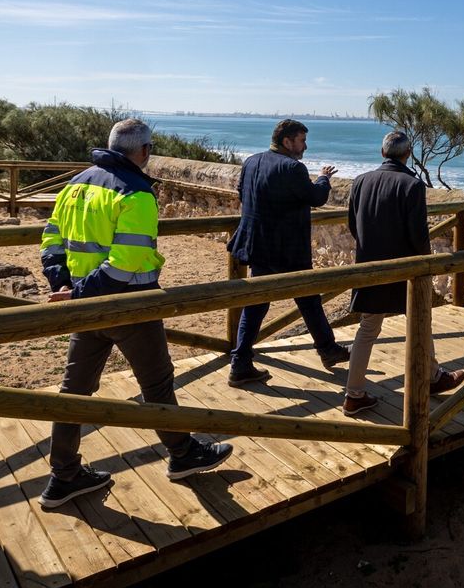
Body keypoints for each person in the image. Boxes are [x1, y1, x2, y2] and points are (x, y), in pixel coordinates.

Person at [38, 118, 232, 509]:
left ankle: (64, 475)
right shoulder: (137, 192)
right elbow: (125, 262)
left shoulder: (76, 184)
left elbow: (51, 238)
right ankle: (183, 455)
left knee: (74, 391)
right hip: (128, 303)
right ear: (143, 151)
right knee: (157, 384)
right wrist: (80, 293)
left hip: (85, 306)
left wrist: (64, 286)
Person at [341, 132, 464, 416]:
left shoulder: (360, 181)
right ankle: (432, 378)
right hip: (406, 268)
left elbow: (353, 225)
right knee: (421, 320)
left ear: (382, 152)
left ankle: (353, 394)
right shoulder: (412, 185)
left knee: (368, 328)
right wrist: (426, 264)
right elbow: (419, 234)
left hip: (369, 265)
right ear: (408, 154)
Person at [225, 119, 352, 386]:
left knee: (261, 304)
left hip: (256, 246)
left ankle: (241, 363)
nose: (305, 146)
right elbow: (316, 198)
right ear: (287, 141)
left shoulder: (251, 161)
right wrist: (324, 178)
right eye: (302, 140)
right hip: (285, 249)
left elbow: (242, 194)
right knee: (304, 298)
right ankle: (327, 350)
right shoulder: (293, 168)